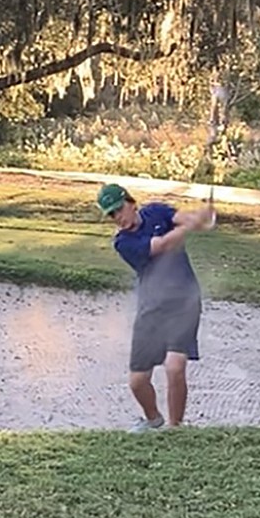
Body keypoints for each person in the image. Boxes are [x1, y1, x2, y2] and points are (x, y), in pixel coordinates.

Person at [97, 183, 215, 433]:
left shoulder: (157, 211)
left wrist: (201, 217)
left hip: (184, 301)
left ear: (131, 202)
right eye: (111, 215)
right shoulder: (123, 243)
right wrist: (190, 226)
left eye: (119, 210)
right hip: (151, 308)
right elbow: (161, 245)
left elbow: (184, 218)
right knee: (137, 381)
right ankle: (153, 420)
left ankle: (175, 429)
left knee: (175, 367)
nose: (118, 218)